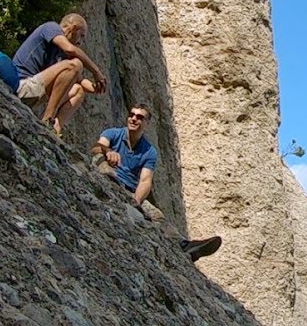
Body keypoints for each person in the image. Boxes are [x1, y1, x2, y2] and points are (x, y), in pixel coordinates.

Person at [92, 104, 222, 262]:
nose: (134, 119)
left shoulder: (149, 151)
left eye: (140, 117)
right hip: (108, 174)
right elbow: (97, 147)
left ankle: (186, 246)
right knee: (100, 160)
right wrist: (108, 151)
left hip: (128, 188)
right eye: (132, 115)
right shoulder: (113, 133)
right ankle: (117, 193)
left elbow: (146, 180)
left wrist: (136, 201)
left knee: (157, 216)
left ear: (147, 123)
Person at [12, 13, 108, 136]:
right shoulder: (51, 28)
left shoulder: (61, 56)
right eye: (81, 36)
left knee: (78, 90)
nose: (81, 42)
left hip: (35, 90)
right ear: (73, 28)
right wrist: (96, 71)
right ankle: (48, 119)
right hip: (22, 85)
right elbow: (70, 50)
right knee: (76, 64)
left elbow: (80, 81)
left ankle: (55, 131)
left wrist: (98, 87)